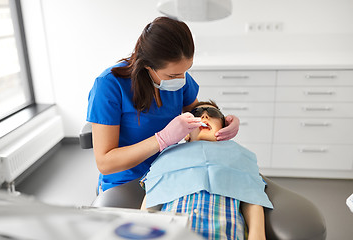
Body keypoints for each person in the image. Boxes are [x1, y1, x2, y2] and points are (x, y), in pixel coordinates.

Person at [86, 17, 240, 193]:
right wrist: (161, 139)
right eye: (173, 76)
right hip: (126, 182)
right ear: (147, 66)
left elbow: (198, 114)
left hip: (171, 173)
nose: (182, 80)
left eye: (185, 71)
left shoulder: (178, 78)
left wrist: (223, 121)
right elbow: (105, 163)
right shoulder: (109, 86)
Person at [140, 101, 273, 240]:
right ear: (186, 134)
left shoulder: (239, 156)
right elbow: (151, 199)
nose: (204, 117)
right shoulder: (168, 156)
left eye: (213, 113)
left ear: (224, 128)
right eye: (196, 114)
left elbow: (253, 198)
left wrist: (257, 235)